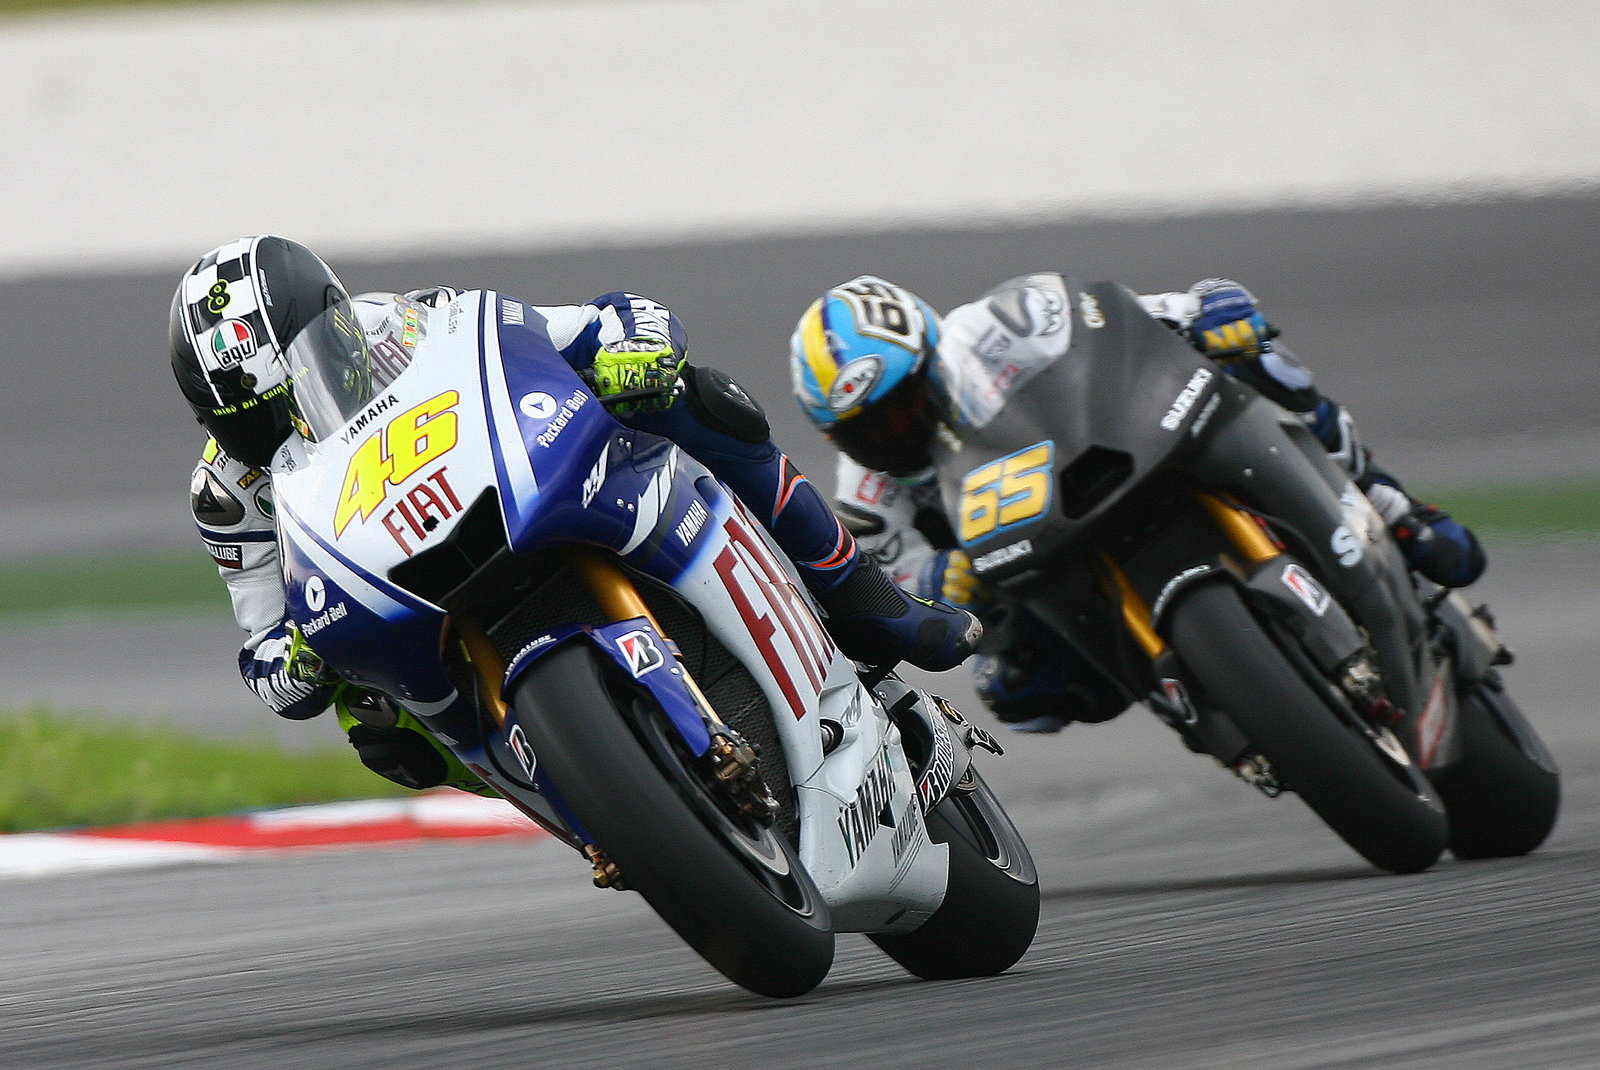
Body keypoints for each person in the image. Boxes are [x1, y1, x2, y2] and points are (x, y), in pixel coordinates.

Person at [171, 236, 979, 792]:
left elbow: (584, 328)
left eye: (286, 402)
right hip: (401, 602)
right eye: (246, 422)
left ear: (335, 326)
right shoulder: (228, 494)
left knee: (692, 398)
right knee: (374, 724)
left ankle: (869, 604)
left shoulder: (406, 323)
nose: (276, 432)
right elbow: (264, 650)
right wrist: (299, 661)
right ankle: (579, 797)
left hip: (512, 495)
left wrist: (631, 349)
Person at [789, 273, 1487, 734]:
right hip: (1050, 560)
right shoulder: (869, 495)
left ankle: (1386, 498)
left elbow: (1136, 321)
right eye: (869, 429)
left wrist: (1209, 310)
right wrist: (939, 588)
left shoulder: (1005, 324)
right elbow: (895, 593)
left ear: (934, 353)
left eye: (905, 404)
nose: (898, 431)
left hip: (1126, 448)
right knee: (1016, 691)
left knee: (1254, 357)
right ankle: (1220, 703)